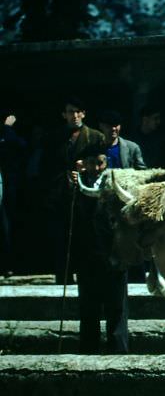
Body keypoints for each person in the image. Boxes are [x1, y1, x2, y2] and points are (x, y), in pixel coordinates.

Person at [40, 97, 105, 284]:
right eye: (70, 111)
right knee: (61, 235)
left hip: (87, 194)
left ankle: (88, 274)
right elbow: (47, 166)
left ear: (83, 113)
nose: (74, 115)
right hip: (61, 193)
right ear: (64, 115)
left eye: (78, 111)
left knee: (87, 234)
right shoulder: (54, 137)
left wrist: (86, 168)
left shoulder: (95, 136)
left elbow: (103, 163)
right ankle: (63, 275)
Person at [70, 148, 128, 354]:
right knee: (88, 308)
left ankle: (119, 352)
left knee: (117, 309)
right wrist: (72, 186)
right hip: (87, 257)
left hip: (114, 255)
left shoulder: (119, 184)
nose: (95, 168)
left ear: (107, 164)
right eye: (91, 163)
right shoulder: (74, 184)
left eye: (100, 163)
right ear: (84, 163)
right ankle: (88, 350)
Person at [0, 112, 26, 276]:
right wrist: (6, 128)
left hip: (6, 186)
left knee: (6, 226)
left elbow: (20, 145)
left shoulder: (8, 137)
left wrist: (6, 131)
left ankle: (7, 264)